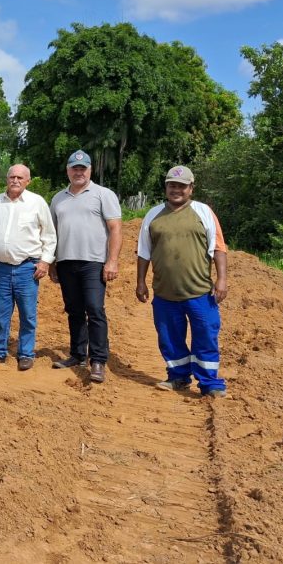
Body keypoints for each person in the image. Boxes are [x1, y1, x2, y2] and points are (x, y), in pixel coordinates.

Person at [136, 165, 228, 397]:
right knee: (169, 338)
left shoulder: (203, 211)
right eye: (171, 185)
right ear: (166, 187)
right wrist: (140, 282)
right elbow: (144, 251)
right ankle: (178, 377)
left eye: (181, 186)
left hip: (199, 292)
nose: (176, 189)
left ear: (191, 188)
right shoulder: (153, 215)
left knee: (206, 335)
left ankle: (210, 384)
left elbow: (218, 248)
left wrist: (222, 280)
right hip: (165, 294)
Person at [49, 150, 122, 383]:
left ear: (90, 170)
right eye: (74, 168)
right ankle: (78, 354)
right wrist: (51, 261)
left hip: (93, 262)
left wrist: (112, 261)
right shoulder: (58, 198)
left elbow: (115, 229)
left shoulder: (103, 194)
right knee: (74, 310)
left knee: (95, 309)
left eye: (83, 168)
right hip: (66, 261)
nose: (78, 172)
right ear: (68, 170)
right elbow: (51, 234)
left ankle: (98, 360)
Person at [0, 164, 56, 371]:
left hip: (27, 268)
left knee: (27, 314)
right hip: (1, 268)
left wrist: (45, 261)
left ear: (28, 181)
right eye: (12, 177)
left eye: (20, 177)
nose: (15, 180)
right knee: (2, 313)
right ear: (7, 179)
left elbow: (49, 235)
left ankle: (26, 353)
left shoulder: (37, 203)